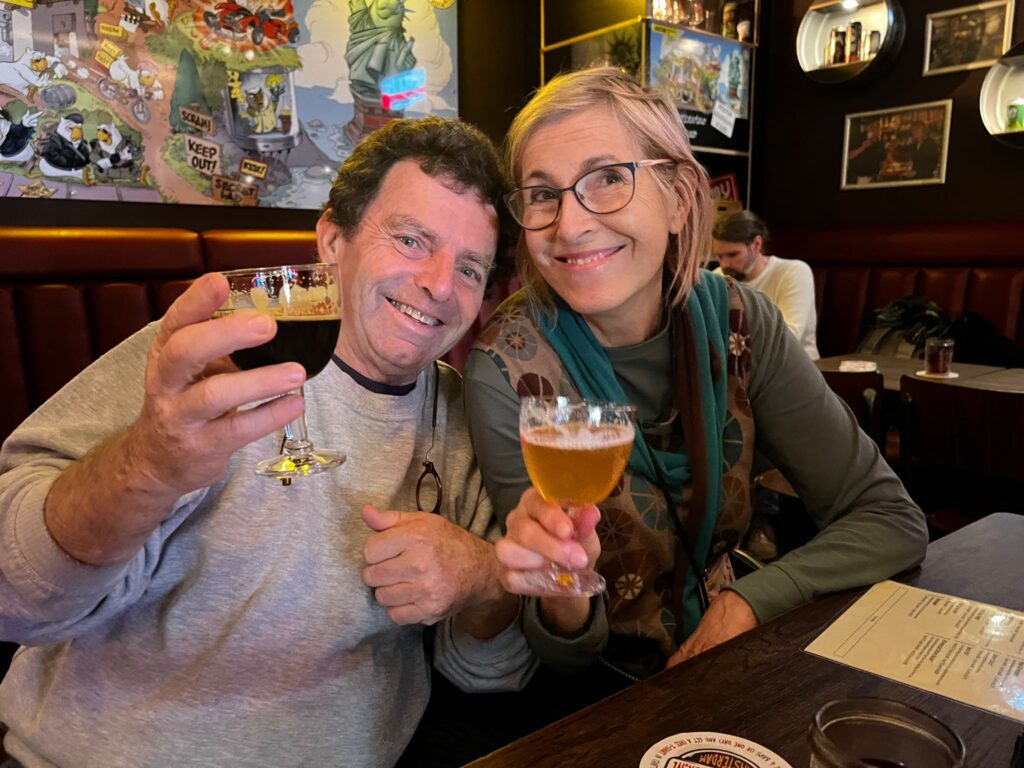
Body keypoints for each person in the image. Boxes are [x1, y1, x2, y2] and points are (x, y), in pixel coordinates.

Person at [0, 117, 533, 767]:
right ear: (333, 241)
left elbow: (489, 672)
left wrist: (480, 575)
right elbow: (14, 595)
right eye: (412, 239)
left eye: (471, 269)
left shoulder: (460, 412)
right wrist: (148, 465)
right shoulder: (206, 365)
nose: (441, 284)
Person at [464, 67, 927, 710]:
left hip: (733, 669)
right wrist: (561, 590)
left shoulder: (742, 323)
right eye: (543, 194)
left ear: (680, 196)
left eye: (607, 178)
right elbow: (566, 656)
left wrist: (747, 601)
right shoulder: (506, 368)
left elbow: (890, 519)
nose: (568, 226)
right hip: (601, 705)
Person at [712, 210, 820, 360]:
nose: (724, 264)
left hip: (794, 368)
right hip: (742, 371)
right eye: (719, 256)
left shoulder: (793, 272)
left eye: (732, 255)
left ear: (756, 244)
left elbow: (788, 339)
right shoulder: (717, 276)